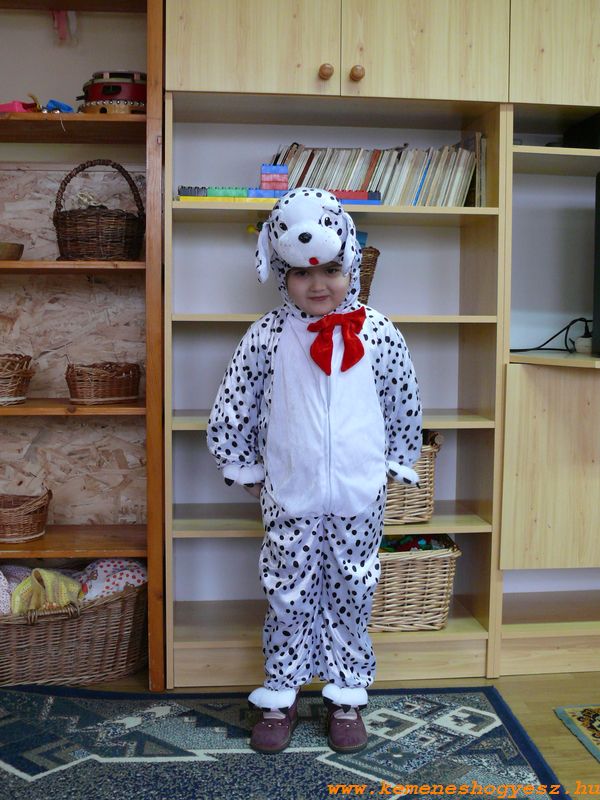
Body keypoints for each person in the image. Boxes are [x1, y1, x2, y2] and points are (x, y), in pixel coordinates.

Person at [207, 187, 422, 755]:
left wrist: (399, 457)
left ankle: (346, 695)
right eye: (303, 273)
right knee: (288, 593)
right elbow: (236, 400)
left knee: (353, 589)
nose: (319, 284)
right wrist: (241, 463)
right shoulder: (268, 334)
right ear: (283, 275)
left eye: (331, 270)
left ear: (351, 266)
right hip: (290, 491)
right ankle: (280, 695)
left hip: (359, 492)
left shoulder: (378, 332)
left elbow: (403, 398)